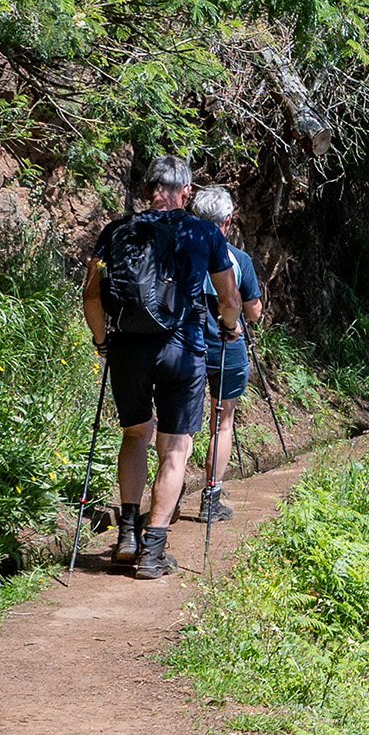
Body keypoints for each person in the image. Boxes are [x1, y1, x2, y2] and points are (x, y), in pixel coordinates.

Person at [81, 157, 242, 579]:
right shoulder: (205, 231)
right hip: (183, 350)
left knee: (135, 435)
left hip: (128, 351)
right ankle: (153, 551)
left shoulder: (115, 231)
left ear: (147, 189)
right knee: (175, 449)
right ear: (185, 192)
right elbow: (229, 299)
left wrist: (103, 342)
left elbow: (91, 297)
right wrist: (229, 329)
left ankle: (127, 536)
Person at [189, 184, 264, 522]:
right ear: (228, 220)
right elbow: (253, 312)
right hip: (226, 347)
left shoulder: (181, 253)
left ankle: (171, 497)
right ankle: (211, 497)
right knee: (222, 422)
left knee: (181, 426)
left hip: (185, 345)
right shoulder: (239, 259)